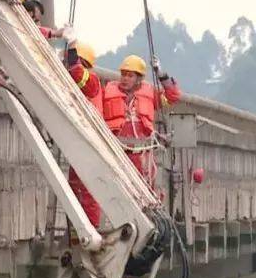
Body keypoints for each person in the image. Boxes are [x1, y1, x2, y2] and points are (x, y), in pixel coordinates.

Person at [102, 54, 182, 189]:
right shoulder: (109, 91)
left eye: (130, 75)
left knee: (145, 192)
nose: (125, 79)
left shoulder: (150, 94)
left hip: (141, 157)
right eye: (123, 74)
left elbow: (173, 97)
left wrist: (161, 74)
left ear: (139, 78)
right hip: (116, 153)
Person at [67, 40, 105, 227]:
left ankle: (92, 228)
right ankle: (77, 231)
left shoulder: (91, 80)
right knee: (75, 186)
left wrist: (71, 49)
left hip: (89, 140)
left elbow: (77, 74)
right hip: (82, 139)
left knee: (88, 188)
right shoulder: (79, 81)